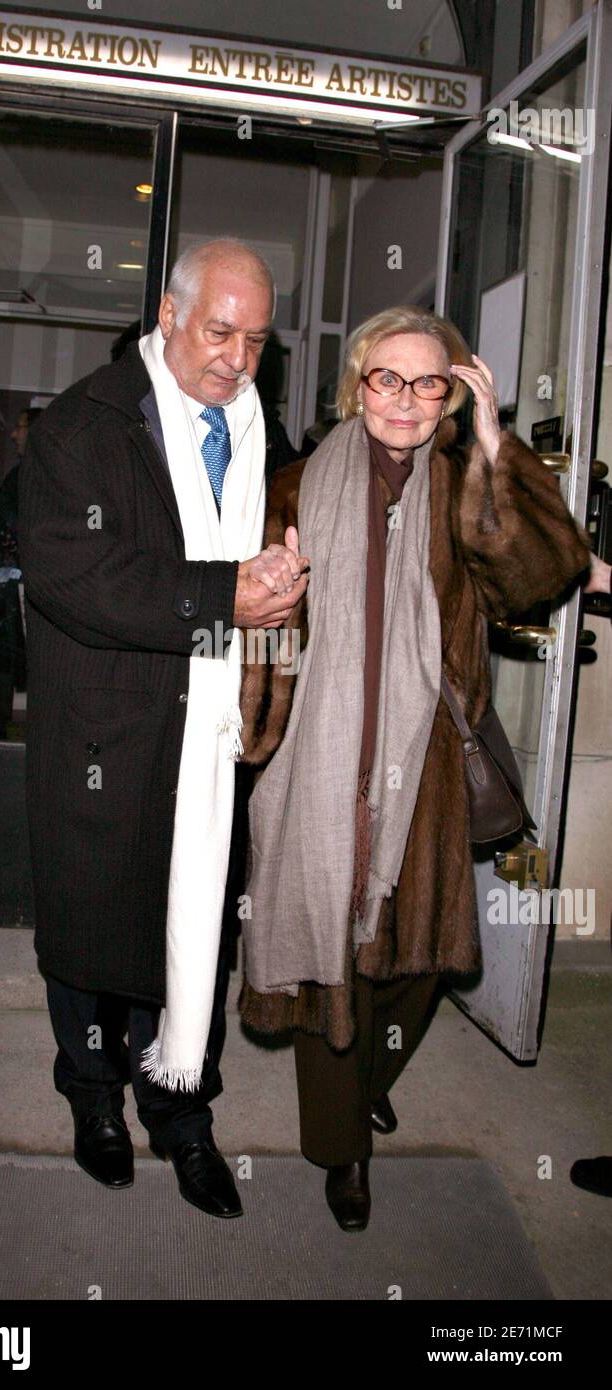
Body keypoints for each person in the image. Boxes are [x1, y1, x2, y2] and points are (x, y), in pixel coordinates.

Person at [237, 304, 592, 1231]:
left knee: (419, 963)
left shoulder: (464, 484)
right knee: (332, 964)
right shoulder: (293, 486)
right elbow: (261, 630)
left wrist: (491, 443)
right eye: (385, 378)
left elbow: (537, 576)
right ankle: (342, 1151)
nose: (403, 398)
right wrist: (258, 728)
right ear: (358, 386)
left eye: (427, 382)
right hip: (318, 756)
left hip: (425, 760)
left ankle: (371, 1079)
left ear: (451, 394)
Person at [17, 239, 309, 1219]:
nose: (235, 358)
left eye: (255, 341)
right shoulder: (81, 426)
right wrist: (227, 594)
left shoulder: (258, 429)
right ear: (169, 319)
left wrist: (270, 577)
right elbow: (79, 579)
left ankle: (182, 1115)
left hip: (206, 740)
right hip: (107, 735)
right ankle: (95, 1100)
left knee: (189, 932)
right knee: (96, 933)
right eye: (219, 331)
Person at [0, 408, 41, 740]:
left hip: (16, 579)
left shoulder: (27, 472)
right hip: (19, 579)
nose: (15, 434)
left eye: (20, 426)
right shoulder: (36, 470)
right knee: (10, 651)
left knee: (9, 651)